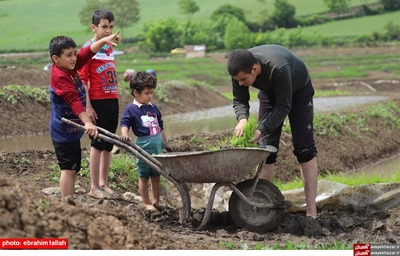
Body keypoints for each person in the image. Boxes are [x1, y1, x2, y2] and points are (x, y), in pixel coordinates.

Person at [227, 44, 319, 219]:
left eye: (243, 80)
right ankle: (259, 204)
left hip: (299, 91)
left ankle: (311, 211)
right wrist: (242, 120)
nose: (240, 83)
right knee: (265, 150)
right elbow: (239, 99)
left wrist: (260, 129)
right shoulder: (239, 69)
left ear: (254, 69)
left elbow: (284, 106)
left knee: (305, 149)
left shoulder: (278, 67)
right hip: (270, 92)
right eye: (237, 80)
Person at [48, 32, 119, 199]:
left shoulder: (70, 66)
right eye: (68, 55)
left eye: (74, 53)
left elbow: (86, 54)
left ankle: (70, 201)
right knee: (68, 169)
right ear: (56, 59)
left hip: (72, 130)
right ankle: (67, 204)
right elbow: (74, 102)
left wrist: (102, 41)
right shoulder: (60, 76)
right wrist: (88, 122)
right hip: (63, 131)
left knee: (74, 168)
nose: (74, 58)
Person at [78, 9, 120, 199]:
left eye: (111, 27)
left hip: (112, 99)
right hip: (97, 101)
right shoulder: (89, 49)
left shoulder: (109, 48)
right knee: (97, 143)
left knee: (108, 143)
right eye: (104, 27)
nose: (108, 30)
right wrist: (88, 106)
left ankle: (104, 183)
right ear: (94, 27)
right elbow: (82, 79)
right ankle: (94, 186)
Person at [120, 72, 172, 211]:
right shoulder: (131, 109)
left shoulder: (153, 108)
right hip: (143, 147)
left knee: (156, 176)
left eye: (152, 93)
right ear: (136, 93)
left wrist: (166, 143)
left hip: (157, 147)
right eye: (147, 93)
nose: (150, 96)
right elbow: (125, 124)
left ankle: (156, 201)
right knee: (144, 176)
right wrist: (125, 135)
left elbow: (161, 127)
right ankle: (146, 202)